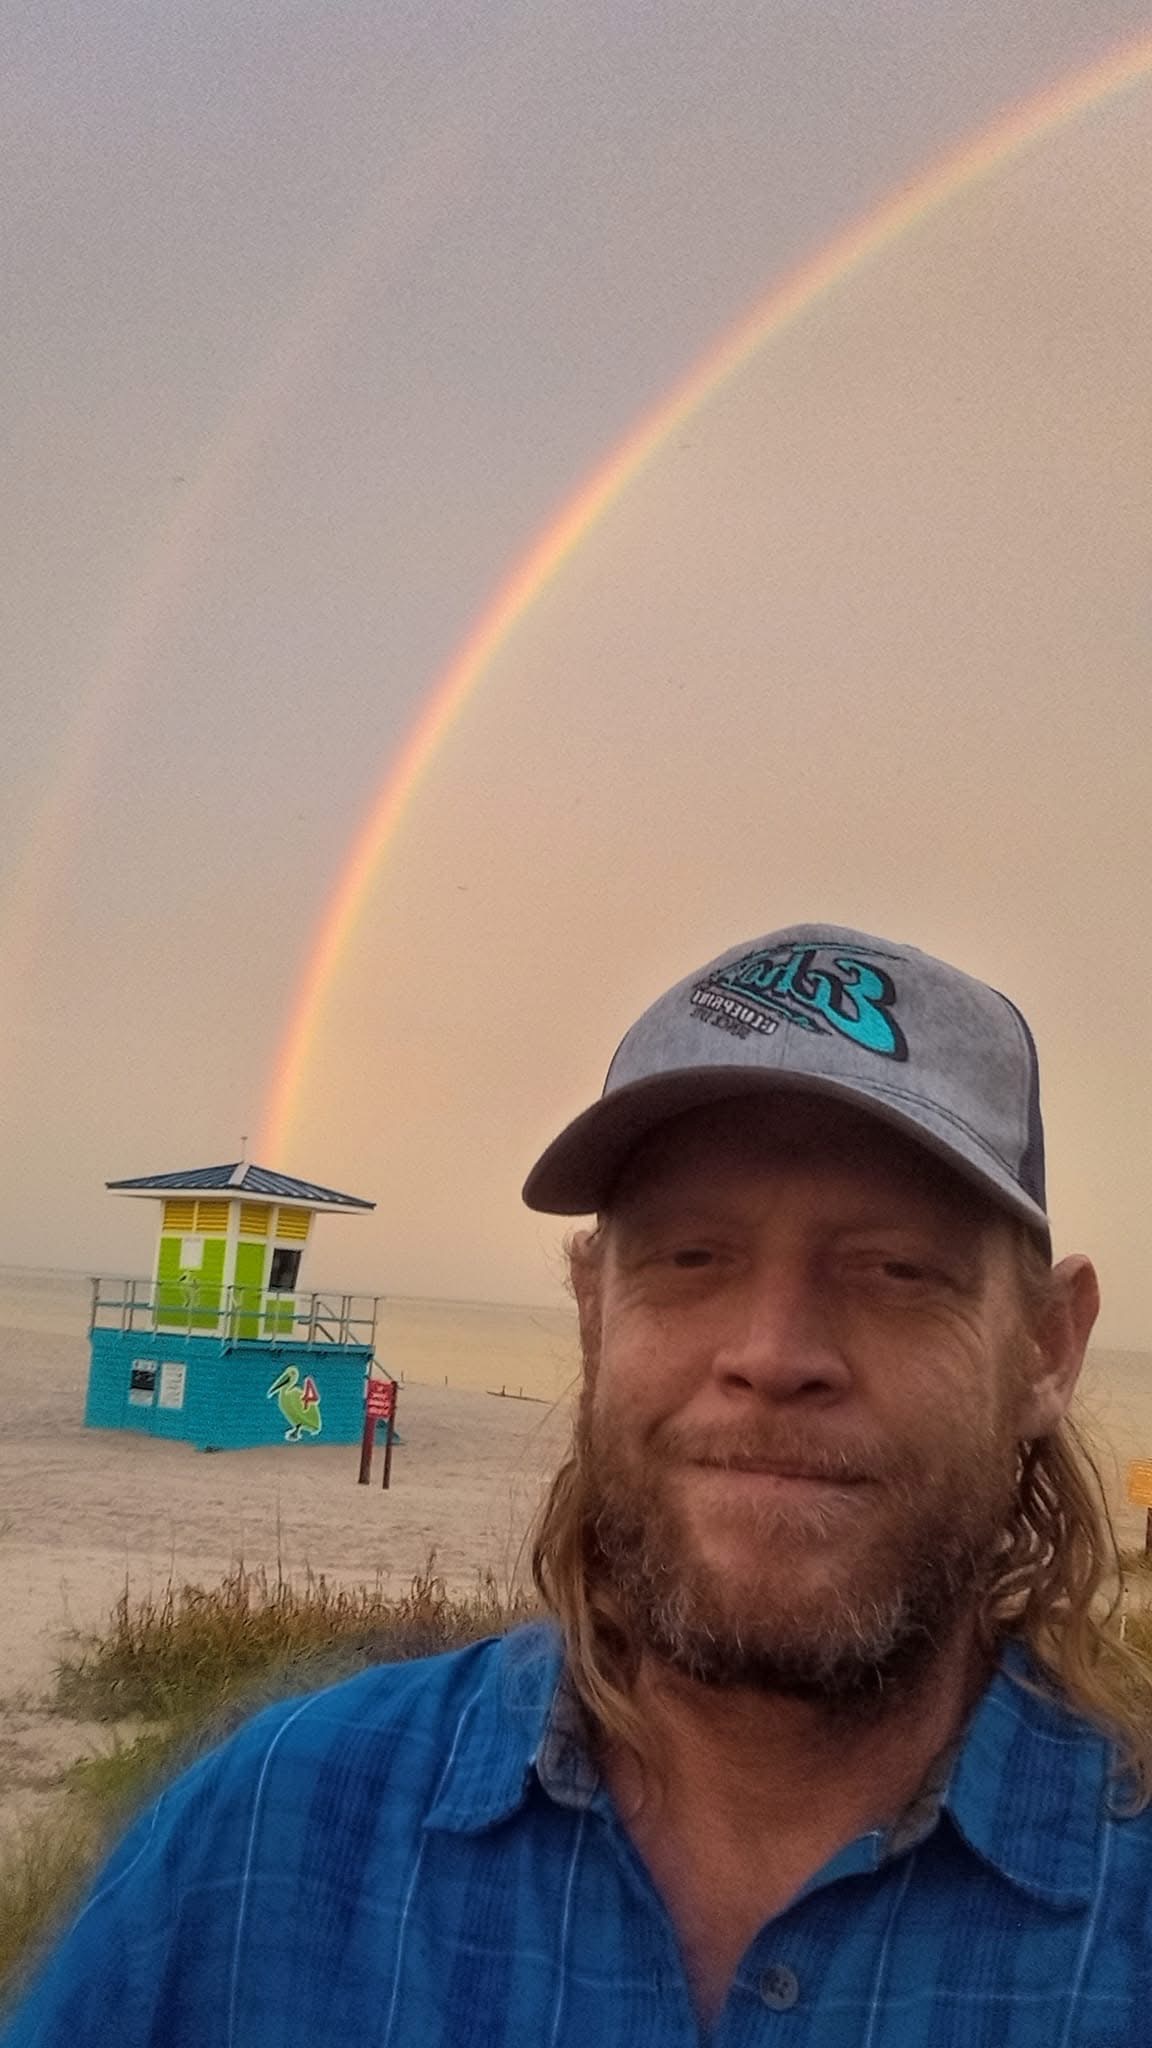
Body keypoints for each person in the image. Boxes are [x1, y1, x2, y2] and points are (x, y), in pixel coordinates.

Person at [4, 921, 1149, 2046]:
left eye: (895, 1268)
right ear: (596, 1312)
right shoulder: (267, 1836)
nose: (772, 1351)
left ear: (1046, 1347)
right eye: (692, 1256)